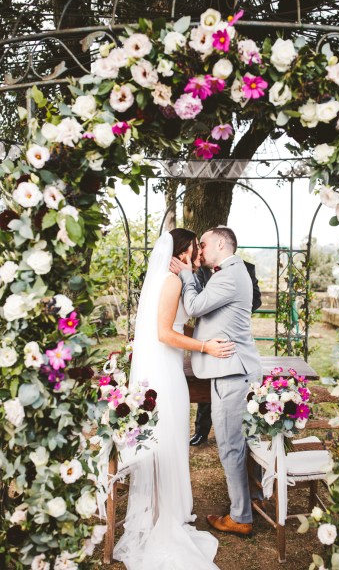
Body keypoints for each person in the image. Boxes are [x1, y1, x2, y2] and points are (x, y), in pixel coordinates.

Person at [114, 228, 234, 570]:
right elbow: (164, 333)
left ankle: (168, 509)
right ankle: (161, 517)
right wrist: (205, 346)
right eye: (196, 247)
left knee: (172, 441)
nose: (200, 252)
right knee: (166, 440)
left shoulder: (180, 278)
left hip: (170, 372)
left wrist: (207, 336)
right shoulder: (172, 282)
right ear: (183, 250)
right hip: (166, 376)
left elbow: (180, 325)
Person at [170, 226, 262, 537]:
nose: (200, 251)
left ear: (221, 243)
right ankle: (254, 498)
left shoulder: (230, 274)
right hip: (234, 369)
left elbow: (195, 307)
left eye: (205, 244)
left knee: (230, 445)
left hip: (229, 371)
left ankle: (240, 517)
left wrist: (184, 275)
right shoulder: (231, 272)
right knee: (243, 441)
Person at [191, 258, 262, 446]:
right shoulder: (201, 268)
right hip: (208, 335)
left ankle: (241, 434)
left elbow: (256, 299)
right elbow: (198, 298)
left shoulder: (247, 268)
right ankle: (201, 430)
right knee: (208, 384)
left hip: (232, 335)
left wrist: (230, 308)